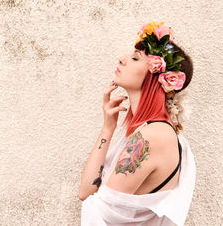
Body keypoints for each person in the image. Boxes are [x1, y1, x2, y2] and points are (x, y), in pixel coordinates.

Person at [79, 21, 196, 226]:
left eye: (135, 58)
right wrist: (108, 127)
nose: (122, 59)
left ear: (157, 77)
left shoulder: (152, 137)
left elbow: (102, 212)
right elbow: (86, 191)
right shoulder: (149, 131)